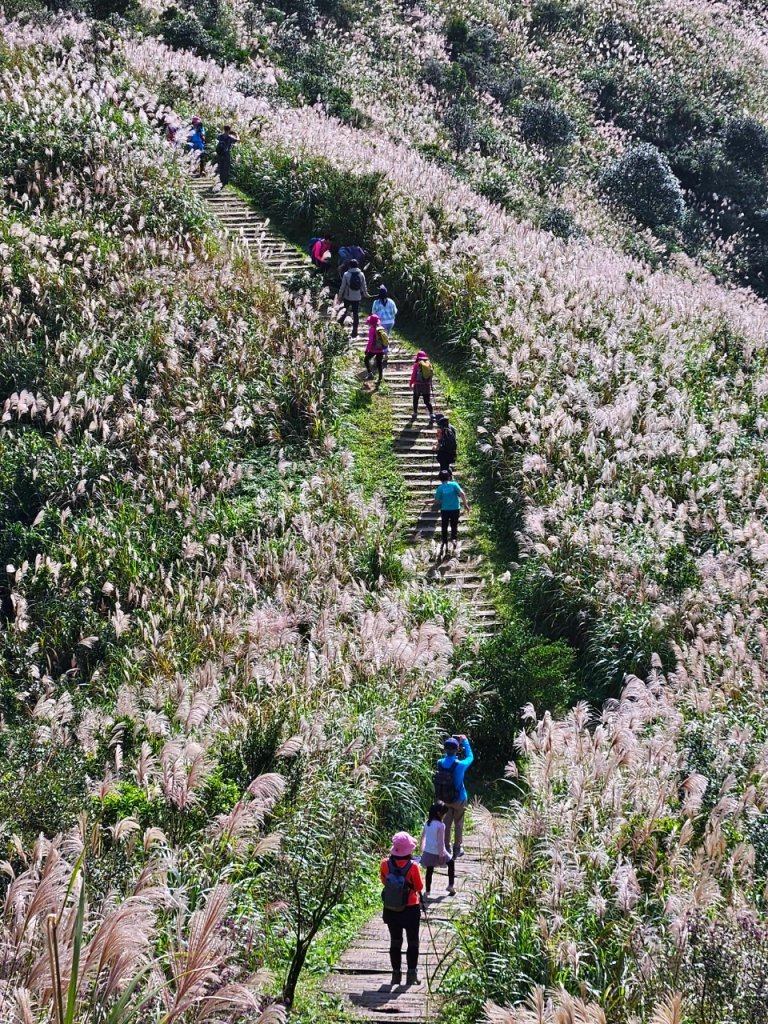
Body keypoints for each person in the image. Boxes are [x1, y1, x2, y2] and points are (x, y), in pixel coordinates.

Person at [380, 831, 424, 987]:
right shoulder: (413, 866)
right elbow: (419, 887)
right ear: (409, 849)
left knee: (395, 941)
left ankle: (396, 974)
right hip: (410, 908)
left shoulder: (385, 864)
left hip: (391, 909)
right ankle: (411, 975)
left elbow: (385, 882)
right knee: (412, 942)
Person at [434, 735, 474, 858]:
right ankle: (458, 847)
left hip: (444, 799)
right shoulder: (460, 765)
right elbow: (470, 757)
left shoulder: (439, 763)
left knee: (446, 823)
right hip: (459, 798)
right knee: (459, 822)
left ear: (445, 749)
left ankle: (447, 847)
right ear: (457, 750)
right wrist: (465, 741)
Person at [419, 802, 456, 897]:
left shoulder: (427, 823)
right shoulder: (440, 825)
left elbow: (423, 837)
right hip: (439, 851)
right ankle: (450, 885)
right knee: (451, 862)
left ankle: (427, 891)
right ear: (439, 814)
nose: (445, 815)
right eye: (444, 813)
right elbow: (440, 843)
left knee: (429, 870)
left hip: (428, 852)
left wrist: (422, 850)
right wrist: (441, 856)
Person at [432, 468, 469, 558]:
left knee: (444, 525)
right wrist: (465, 505)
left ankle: (444, 540)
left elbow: (437, 501)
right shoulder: (454, 484)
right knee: (454, 524)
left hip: (445, 510)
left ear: (440, 479)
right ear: (449, 477)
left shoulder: (440, 488)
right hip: (455, 509)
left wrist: (430, 501)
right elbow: (462, 493)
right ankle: (454, 539)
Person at [337, 259, 370, 337]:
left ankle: (340, 326)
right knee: (355, 314)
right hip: (357, 297)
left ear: (349, 266)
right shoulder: (361, 274)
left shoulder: (346, 274)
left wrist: (340, 295)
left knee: (344, 311)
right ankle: (355, 331)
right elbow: (363, 286)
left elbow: (343, 286)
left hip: (347, 296)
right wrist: (366, 294)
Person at [365, 314, 389, 386]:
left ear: (371, 322)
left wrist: (367, 349)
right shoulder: (381, 328)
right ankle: (380, 378)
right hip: (380, 349)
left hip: (373, 349)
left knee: (366, 359)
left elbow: (370, 341)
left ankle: (370, 373)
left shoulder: (372, 329)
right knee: (379, 364)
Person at [410, 350, 434, 423]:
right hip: (426, 386)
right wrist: (430, 383)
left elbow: (413, 375)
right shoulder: (429, 364)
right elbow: (430, 375)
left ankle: (415, 413)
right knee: (427, 401)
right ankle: (431, 414)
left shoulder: (416, 365)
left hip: (417, 385)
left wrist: (411, 383)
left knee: (415, 400)